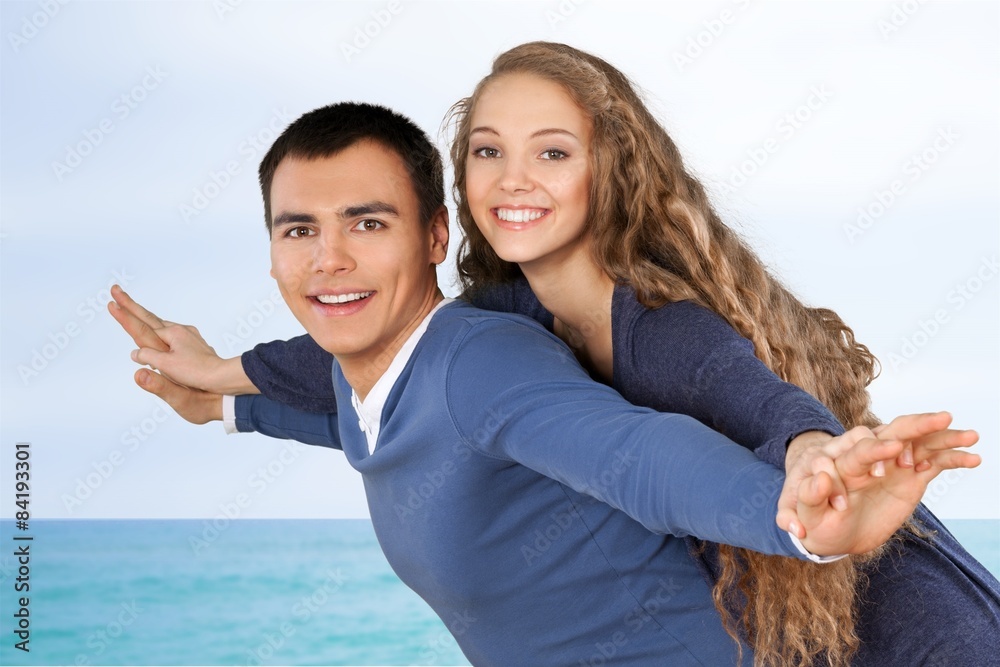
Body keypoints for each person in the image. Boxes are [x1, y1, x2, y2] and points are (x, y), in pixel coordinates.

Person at [110, 101, 977, 667]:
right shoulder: (376, 383)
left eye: (367, 223)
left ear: (436, 237)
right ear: (271, 250)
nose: (329, 259)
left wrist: (798, 520)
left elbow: (634, 454)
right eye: (298, 229)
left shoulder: (479, 362)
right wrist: (220, 403)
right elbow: (345, 417)